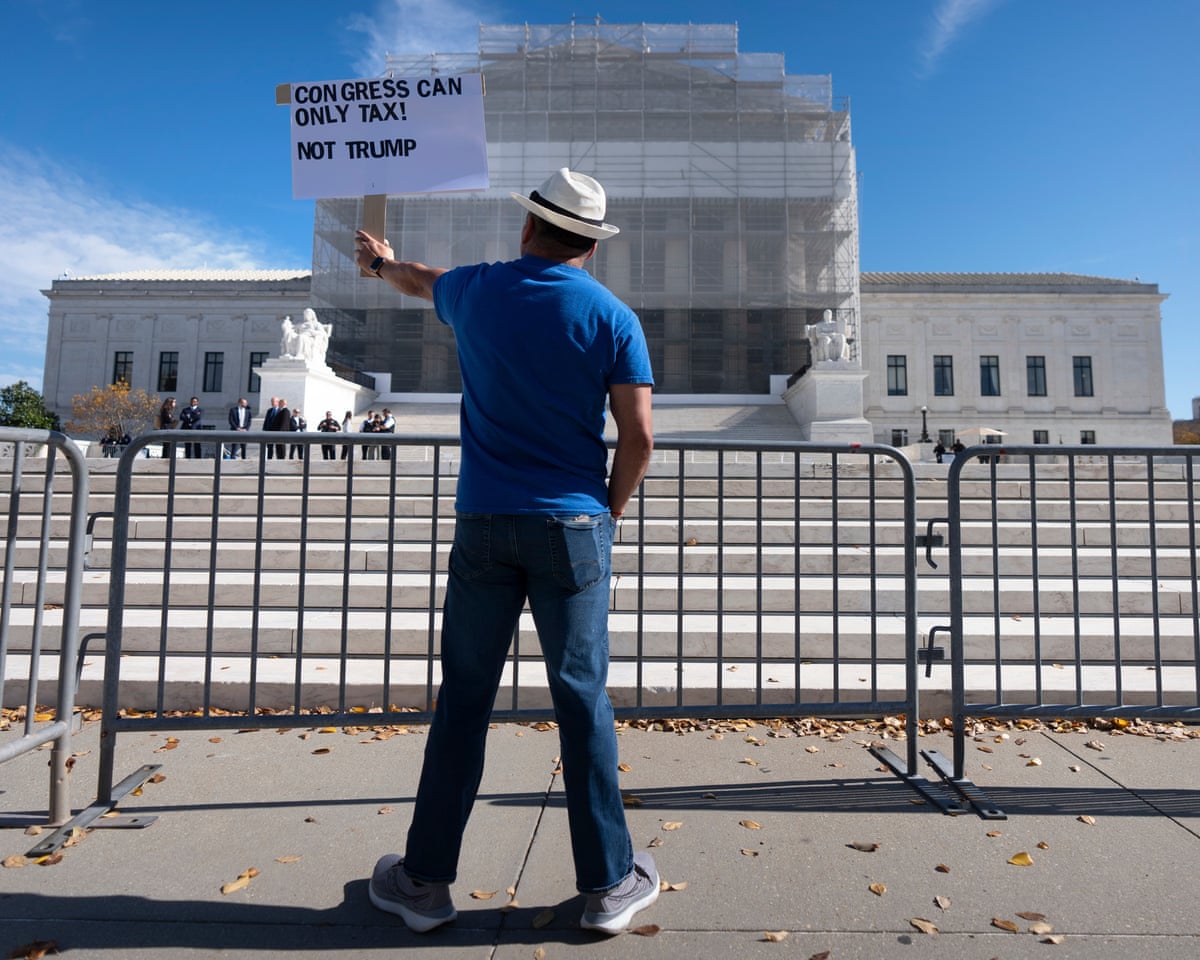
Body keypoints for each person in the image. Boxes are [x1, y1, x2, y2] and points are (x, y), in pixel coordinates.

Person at [354, 167, 656, 936]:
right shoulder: (615, 317)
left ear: (528, 227)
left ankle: (423, 882)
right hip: (574, 525)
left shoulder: (480, 290)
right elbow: (640, 437)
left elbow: (421, 280)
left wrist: (383, 261)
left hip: (485, 521)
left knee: (464, 700)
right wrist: (605, 514)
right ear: (592, 244)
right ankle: (608, 884)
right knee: (581, 700)